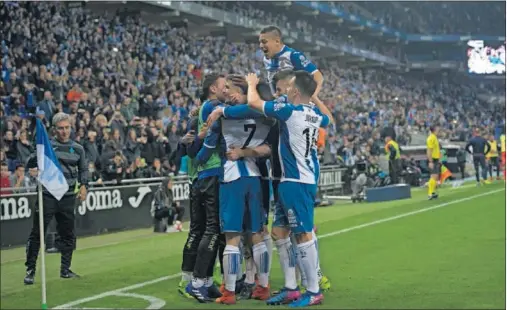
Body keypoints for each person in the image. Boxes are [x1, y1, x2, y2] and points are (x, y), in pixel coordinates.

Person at [246, 71, 333, 307]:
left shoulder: (289, 111)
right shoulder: (313, 114)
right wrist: (314, 97)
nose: (287, 88)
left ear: (295, 91)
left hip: (296, 181)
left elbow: (253, 102)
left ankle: (313, 290)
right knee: (280, 233)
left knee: (303, 234)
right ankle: (291, 288)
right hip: (293, 180)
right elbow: (329, 118)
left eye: (291, 85)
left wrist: (252, 84)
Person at [197, 75, 273, 304]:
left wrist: (194, 146)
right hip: (254, 177)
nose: (227, 92)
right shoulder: (262, 114)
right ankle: (263, 286)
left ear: (241, 90)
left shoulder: (223, 114)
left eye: (230, 88)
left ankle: (228, 291)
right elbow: (267, 148)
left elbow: (205, 153)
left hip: (232, 178)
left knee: (232, 236)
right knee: (257, 235)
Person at [24, 112, 88, 285]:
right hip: (47, 195)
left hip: (67, 196)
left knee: (68, 234)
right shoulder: (46, 147)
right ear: (54, 130)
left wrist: (84, 186)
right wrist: (33, 168)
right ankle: (30, 271)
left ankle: (65, 270)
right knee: (37, 233)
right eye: (61, 128)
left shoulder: (78, 148)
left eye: (67, 128)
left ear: (71, 128)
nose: (64, 131)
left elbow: (83, 170)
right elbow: (30, 162)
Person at [184, 74, 227, 302]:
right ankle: (197, 282)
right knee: (212, 229)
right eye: (224, 86)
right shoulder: (213, 106)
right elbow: (235, 106)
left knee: (211, 229)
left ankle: (207, 281)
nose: (227, 90)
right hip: (212, 173)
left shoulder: (203, 108)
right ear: (213, 88)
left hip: (205, 175)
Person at [259, 26, 323, 100]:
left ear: (277, 41)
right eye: (260, 42)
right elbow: (271, 81)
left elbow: (318, 77)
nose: (260, 45)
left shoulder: (293, 55)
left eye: (264, 42)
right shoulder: (266, 59)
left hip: (296, 103)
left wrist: (312, 97)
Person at [426, 125, 441, 200]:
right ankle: (430, 193)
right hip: (433, 159)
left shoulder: (434, 137)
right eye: (437, 129)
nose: (439, 130)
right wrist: (430, 161)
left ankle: (432, 192)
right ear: (434, 130)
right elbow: (429, 150)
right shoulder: (431, 138)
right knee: (434, 176)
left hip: (436, 159)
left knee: (435, 177)